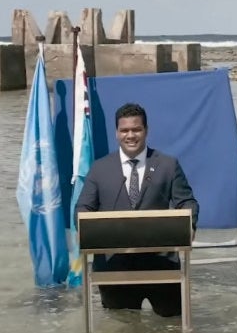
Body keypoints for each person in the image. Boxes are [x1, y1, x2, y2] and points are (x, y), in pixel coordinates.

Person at [75, 103, 199, 317]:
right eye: (124, 130)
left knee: (172, 330)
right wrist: (83, 226)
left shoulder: (168, 165)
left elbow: (187, 202)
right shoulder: (99, 168)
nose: (130, 135)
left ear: (146, 131)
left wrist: (190, 225)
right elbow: (83, 207)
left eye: (136, 129)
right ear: (116, 133)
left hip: (161, 265)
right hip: (115, 268)